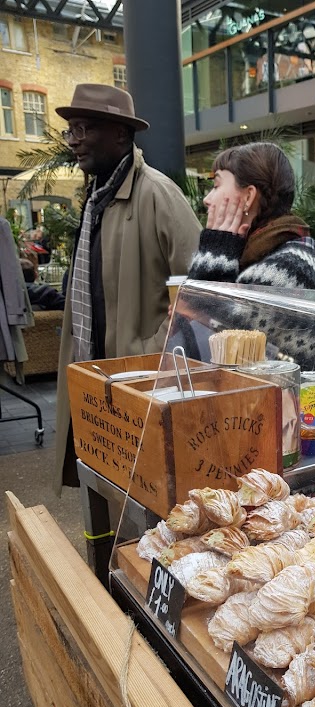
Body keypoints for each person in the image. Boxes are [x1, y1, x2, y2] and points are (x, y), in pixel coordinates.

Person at [53, 83, 202, 494]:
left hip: (138, 383)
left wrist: (152, 349)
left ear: (120, 133)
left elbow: (200, 288)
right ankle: (104, 560)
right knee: (99, 490)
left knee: (144, 499)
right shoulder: (96, 198)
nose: (75, 141)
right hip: (94, 380)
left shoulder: (157, 193)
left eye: (84, 129)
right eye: (72, 131)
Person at [184, 142, 315, 375]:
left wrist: (216, 246)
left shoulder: (291, 267)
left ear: (248, 197)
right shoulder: (253, 254)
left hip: (300, 406)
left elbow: (213, 340)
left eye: (216, 185)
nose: (207, 199)